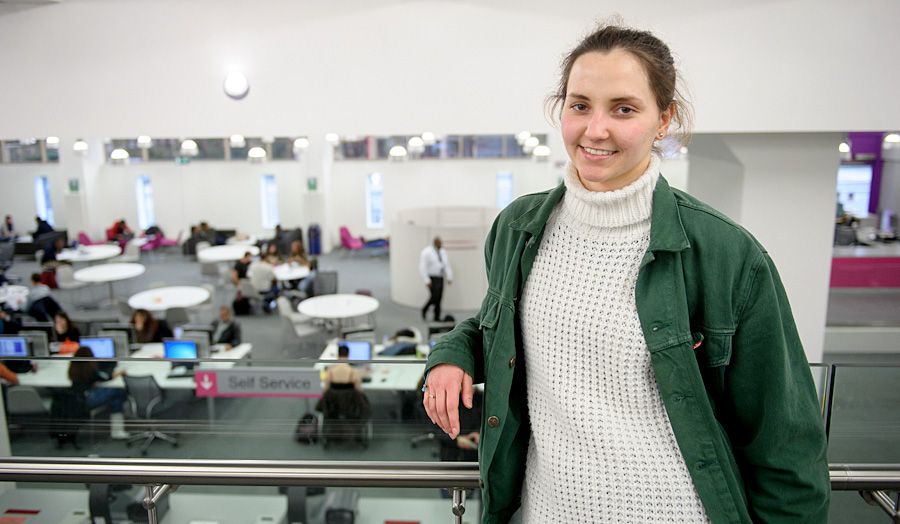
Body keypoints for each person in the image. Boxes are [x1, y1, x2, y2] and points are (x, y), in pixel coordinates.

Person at [423, 24, 829, 523]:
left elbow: (785, 444)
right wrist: (451, 354)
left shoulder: (725, 253)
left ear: (664, 120)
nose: (596, 129)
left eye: (624, 109)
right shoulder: (519, 228)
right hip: (545, 512)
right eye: (580, 105)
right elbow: (497, 323)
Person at [67, 346, 129, 439]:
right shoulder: (89, 369)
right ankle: (118, 429)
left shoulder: (73, 368)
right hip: (87, 400)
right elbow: (106, 377)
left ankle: (117, 431)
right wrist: (119, 373)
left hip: (77, 399)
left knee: (116, 400)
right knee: (118, 391)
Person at [419, 237, 453, 322]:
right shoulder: (427, 252)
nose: (441, 244)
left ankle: (437, 316)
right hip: (432, 278)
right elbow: (423, 267)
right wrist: (426, 280)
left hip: (440, 277)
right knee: (435, 296)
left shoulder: (442, 252)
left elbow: (446, 265)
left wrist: (449, 277)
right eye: (439, 243)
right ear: (435, 243)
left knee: (439, 298)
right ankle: (424, 309)